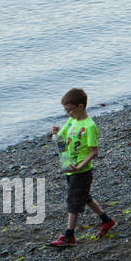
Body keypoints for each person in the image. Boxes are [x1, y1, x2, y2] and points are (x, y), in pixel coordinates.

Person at [48, 88, 115, 248]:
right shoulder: (72, 121)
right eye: (66, 110)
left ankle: (69, 236)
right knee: (84, 197)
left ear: (80, 106)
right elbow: (60, 141)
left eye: (69, 110)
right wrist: (55, 135)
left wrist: (80, 166)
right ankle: (107, 221)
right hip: (70, 168)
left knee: (73, 202)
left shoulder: (90, 126)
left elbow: (94, 152)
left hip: (82, 171)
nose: (68, 113)